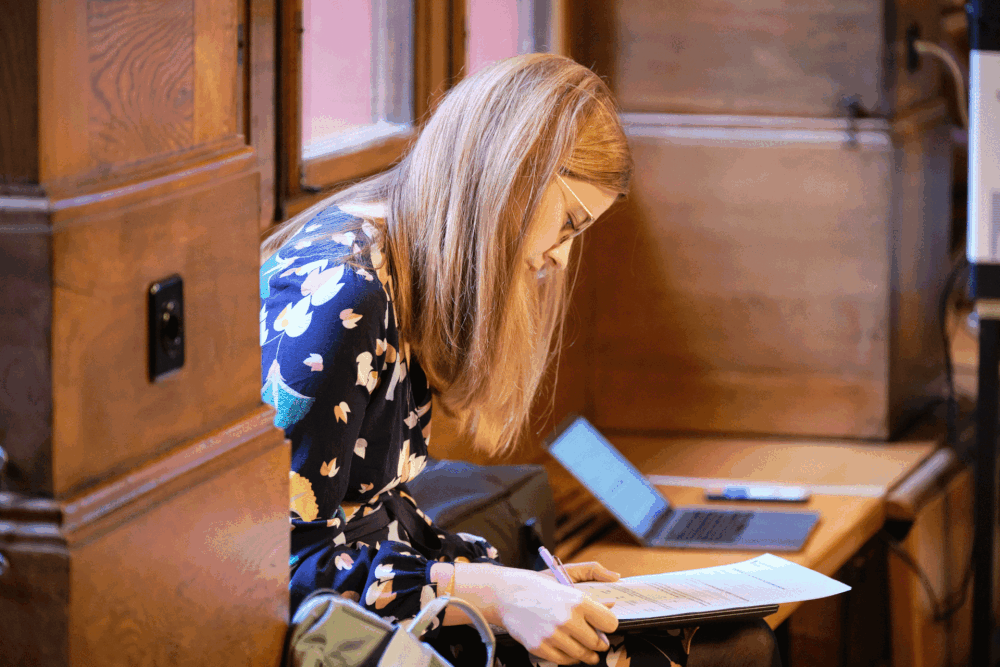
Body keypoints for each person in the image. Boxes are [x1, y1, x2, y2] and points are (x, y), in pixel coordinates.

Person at [261, 54, 780, 667]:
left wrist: (525, 584)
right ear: (515, 177)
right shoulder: (343, 298)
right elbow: (277, 567)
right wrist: (499, 593)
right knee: (732, 653)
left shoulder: (406, 265)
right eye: (567, 224)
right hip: (352, 638)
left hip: (393, 608)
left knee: (733, 640)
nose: (559, 258)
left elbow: (370, 518)